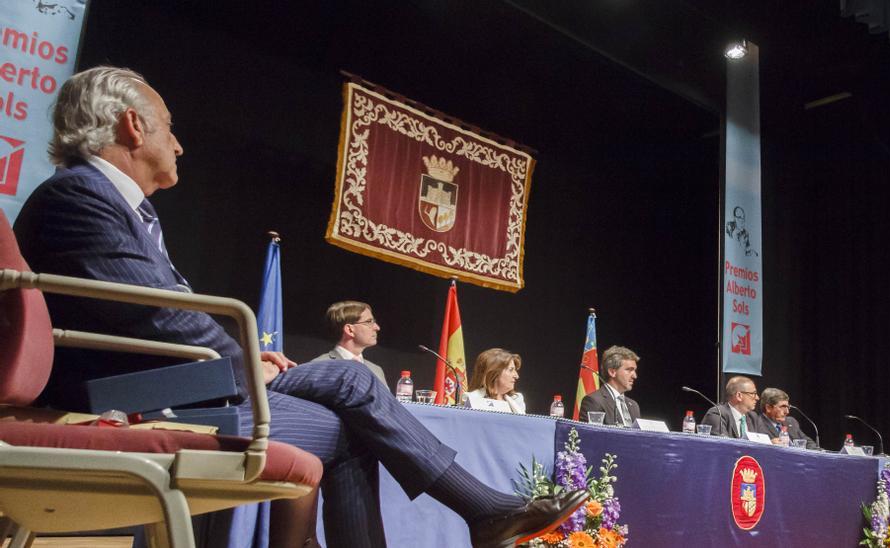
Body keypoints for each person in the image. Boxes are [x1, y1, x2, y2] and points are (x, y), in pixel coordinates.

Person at [13, 66, 585, 548]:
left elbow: (156, 312)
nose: (179, 143)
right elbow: (153, 315)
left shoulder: (117, 206)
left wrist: (246, 363)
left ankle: (483, 511)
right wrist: (244, 363)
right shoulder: (79, 197)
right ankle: (482, 510)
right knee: (355, 395)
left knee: (353, 408)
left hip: (169, 387)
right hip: (131, 402)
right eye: (169, 127)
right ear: (133, 126)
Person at [310, 301, 389, 389]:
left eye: (374, 321)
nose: (377, 327)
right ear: (350, 330)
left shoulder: (376, 370)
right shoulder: (320, 366)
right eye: (369, 321)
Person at [578, 345, 640, 427]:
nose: (635, 376)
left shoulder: (634, 405)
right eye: (629, 370)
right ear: (612, 372)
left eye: (634, 370)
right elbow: (591, 436)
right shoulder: (594, 401)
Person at [700, 375, 765, 438]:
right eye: (753, 393)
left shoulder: (753, 417)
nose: (757, 398)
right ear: (739, 396)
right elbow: (722, 444)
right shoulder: (717, 414)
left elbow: (761, 442)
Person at [466, 348, 526, 414]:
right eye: (511, 370)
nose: (516, 376)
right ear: (494, 373)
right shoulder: (471, 398)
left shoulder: (516, 400)